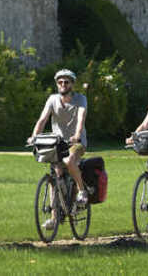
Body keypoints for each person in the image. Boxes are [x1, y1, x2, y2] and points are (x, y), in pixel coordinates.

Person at [27, 68, 88, 229]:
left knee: (69, 161)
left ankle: (81, 191)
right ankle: (55, 218)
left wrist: (76, 135)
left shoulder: (80, 99)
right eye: (60, 82)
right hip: (57, 143)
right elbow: (42, 119)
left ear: (72, 84)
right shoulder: (52, 99)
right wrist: (34, 136)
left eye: (66, 82)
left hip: (76, 142)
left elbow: (81, 118)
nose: (63, 84)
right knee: (54, 177)